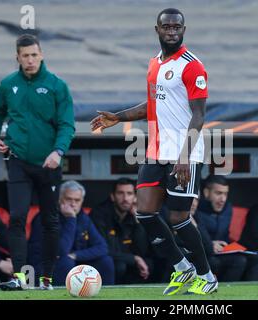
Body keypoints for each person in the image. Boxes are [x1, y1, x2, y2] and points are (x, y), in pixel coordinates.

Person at [90, 8, 217, 295]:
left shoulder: (192, 65)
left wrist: (184, 157)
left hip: (185, 154)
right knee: (144, 213)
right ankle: (183, 269)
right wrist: (119, 117)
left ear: (184, 30)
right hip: (156, 151)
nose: (172, 32)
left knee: (179, 218)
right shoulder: (154, 64)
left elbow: (199, 115)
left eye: (177, 27)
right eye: (167, 27)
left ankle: (206, 276)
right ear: (156, 30)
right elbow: (153, 105)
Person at [0, 34, 75, 290]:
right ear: (18, 57)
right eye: (25, 56)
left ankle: (47, 277)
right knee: (17, 217)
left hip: (49, 164)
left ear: (42, 54)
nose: (30, 60)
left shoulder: (57, 86)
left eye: (34, 54)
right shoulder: (8, 84)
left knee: (50, 220)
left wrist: (58, 151)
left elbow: (67, 124)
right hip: (18, 160)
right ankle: (19, 277)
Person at [28, 181, 115, 287]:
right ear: (59, 199)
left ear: (82, 201)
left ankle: (107, 295)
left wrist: (76, 255)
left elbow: (102, 247)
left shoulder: (83, 218)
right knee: (66, 261)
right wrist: (71, 219)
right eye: (69, 199)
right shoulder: (46, 216)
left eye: (77, 200)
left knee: (106, 261)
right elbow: (61, 251)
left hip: (72, 262)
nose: (73, 204)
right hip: (43, 267)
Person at [194, 175, 258, 281]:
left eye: (225, 194)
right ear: (206, 192)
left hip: (224, 251)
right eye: (218, 193)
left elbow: (225, 235)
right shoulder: (195, 210)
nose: (223, 199)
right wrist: (210, 243)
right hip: (206, 252)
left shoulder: (227, 208)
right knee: (238, 261)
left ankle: (251, 291)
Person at [90, 178, 153, 284]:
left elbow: (143, 250)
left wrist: (137, 221)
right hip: (105, 260)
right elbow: (104, 249)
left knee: (149, 263)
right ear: (112, 196)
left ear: (135, 197)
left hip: (127, 259)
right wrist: (134, 258)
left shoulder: (134, 215)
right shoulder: (99, 214)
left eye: (129, 194)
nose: (125, 198)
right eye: (120, 193)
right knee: (120, 266)